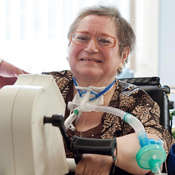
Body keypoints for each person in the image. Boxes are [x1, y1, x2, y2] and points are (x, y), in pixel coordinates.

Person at [0, 5, 174, 175]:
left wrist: (109, 153)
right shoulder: (45, 85)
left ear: (124, 54)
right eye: (82, 38)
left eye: (104, 41)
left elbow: (155, 143)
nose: (90, 48)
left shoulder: (135, 100)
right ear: (69, 45)